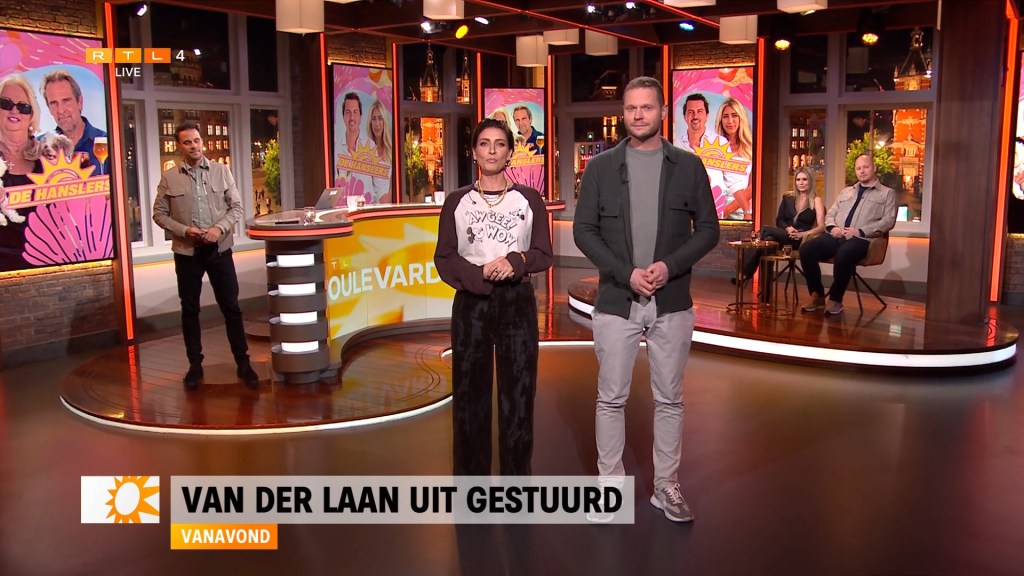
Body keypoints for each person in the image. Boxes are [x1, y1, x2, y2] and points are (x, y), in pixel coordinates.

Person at [573, 76, 719, 523]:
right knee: (610, 399)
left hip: (671, 301)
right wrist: (627, 273)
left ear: (662, 112)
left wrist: (669, 267)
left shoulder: (689, 166)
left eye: (647, 107)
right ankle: (609, 488)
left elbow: (709, 230)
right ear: (624, 113)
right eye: (631, 108)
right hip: (617, 300)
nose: (638, 115)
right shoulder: (600, 168)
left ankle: (666, 487)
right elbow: (584, 231)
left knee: (670, 399)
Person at [433, 117, 553, 476]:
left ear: (510, 153)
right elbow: (444, 257)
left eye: (500, 144)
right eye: (484, 144)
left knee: (519, 395)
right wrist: (479, 273)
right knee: (470, 397)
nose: (491, 151)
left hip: (517, 303)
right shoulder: (456, 202)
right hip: (472, 304)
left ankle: (517, 482)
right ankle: (471, 484)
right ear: (474, 152)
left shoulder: (529, 200)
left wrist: (516, 262)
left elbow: (543, 254)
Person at [153, 122, 259, 390]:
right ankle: (195, 365)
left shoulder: (222, 171)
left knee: (231, 308)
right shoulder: (170, 177)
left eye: (197, 140)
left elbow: (236, 208)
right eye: (188, 142)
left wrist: (218, 229)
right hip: (187, 252)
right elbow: (159, 214)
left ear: (202, 142)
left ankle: (243, 363)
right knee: (190, 309)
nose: (194, 146)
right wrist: (184, 230)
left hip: (219, 249)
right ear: (179, 146)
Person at [800, 154, 896, 315]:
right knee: (806, 249)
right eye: (858, 168)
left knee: (844, 254)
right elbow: (831, 214)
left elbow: (888, 221)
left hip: (862, 239)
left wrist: (860, 231)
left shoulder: (887, 193)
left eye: (865, 167)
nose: (862, 171)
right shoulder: (846, 192)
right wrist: (832, 228)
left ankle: (836, 299)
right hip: (837, 235)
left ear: (874, 168)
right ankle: (817, 295)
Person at [738, 167, 825, 301]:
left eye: (804, 179)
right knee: (768, 243)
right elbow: (779, 220)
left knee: (765, 230)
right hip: (785, 235)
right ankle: (766, 294)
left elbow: (821, 227)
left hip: (798, 240)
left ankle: (745, 272)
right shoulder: (788, 198)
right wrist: (788, 228)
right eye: (798, 180)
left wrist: (803, 234)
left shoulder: (816, 200)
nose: (801, 183)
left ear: (810, 181)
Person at [675, 93, 746, 219]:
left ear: (706, 116)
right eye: (690, 112)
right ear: (685, 116)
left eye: (700, 111)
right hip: (684, 215)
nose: (695, 116)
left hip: (713, 214)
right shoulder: (676, 146)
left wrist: (747, 210)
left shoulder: (720, 143)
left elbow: (732, 181)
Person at [0, 74, 43, 270]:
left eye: (23, 107)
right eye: (5, 103)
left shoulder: (49, 157)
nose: (15, 110)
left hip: (47, 261)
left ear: (32, 115)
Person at [39, 69, 108, 173]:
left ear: (80, 102)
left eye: (66, 101)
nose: (61, 110)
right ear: (49, 108)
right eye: (54, 103)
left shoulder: (106, 142)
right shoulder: (40, 147)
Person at [336, 92, 388, 204]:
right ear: (343, 117)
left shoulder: (371, 146)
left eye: (355, 112)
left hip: (368, 210)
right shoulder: (336, 150)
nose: (352, 117)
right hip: (345, 211)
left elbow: (379, 188)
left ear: (360, 116)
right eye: (348, 112)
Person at [716, 97, 753, 219]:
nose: (730, 121)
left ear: (741, 118)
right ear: (720, 120)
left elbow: (753, 187)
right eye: (725, 116)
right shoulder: (714, 147)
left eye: (734, 115)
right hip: (716, 208)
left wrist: (728, 210)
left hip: (742, 211)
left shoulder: (751, 148)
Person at [368, 99, 393, 202]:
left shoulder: (391, 150)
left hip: (390, 204)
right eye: (374, 119)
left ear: (384, 121)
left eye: (380, 118)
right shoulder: (366, 150)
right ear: (370, 122)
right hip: (372, 205)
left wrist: (388, 197)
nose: (377, 124)